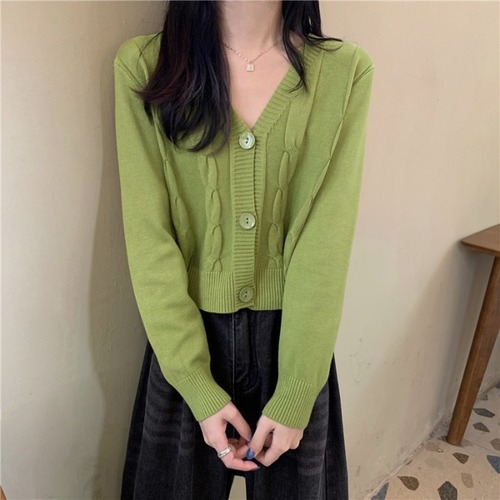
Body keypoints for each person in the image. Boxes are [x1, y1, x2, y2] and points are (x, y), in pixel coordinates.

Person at [113, 1, 374, 498]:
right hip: (184, 339)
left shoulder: (345, 73)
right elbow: (148, 236)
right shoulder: (145, 67)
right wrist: (193, 380)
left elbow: (326, 242)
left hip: (296, 342)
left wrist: (297, 389)